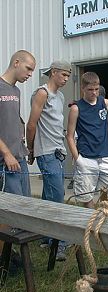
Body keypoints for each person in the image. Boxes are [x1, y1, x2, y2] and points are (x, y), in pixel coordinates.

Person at [26, 60, 72, 261]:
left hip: (57, 150)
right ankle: (60, 243)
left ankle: (45, 237)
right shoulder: (41, 93)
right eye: (64, 75)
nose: (66, 79)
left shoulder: (60, 96)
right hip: (45, 152)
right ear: (53, 73)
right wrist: (30, 149)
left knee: (48, 196)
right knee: (57, 197)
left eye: (69, 76)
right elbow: (31, 124)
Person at [66, 72, 108, 211]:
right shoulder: (76, 108)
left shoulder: (105, 103)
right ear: (83, 88)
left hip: (106, 156)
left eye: (96, 89)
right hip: (86, 157)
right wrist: (77, 158)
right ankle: (91, 222)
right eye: (90, 90)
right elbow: (70, 135)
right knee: (85, 194)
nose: (94, 93)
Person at [0, 50, 36, 270]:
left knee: (22, 209)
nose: (30, 74)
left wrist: (23, 150)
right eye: (28, 68)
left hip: (19, 157)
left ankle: (9, 255)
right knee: (7, 211)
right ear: (16, 63)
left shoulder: (16, 91)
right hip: (6, 161)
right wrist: (6, 153)